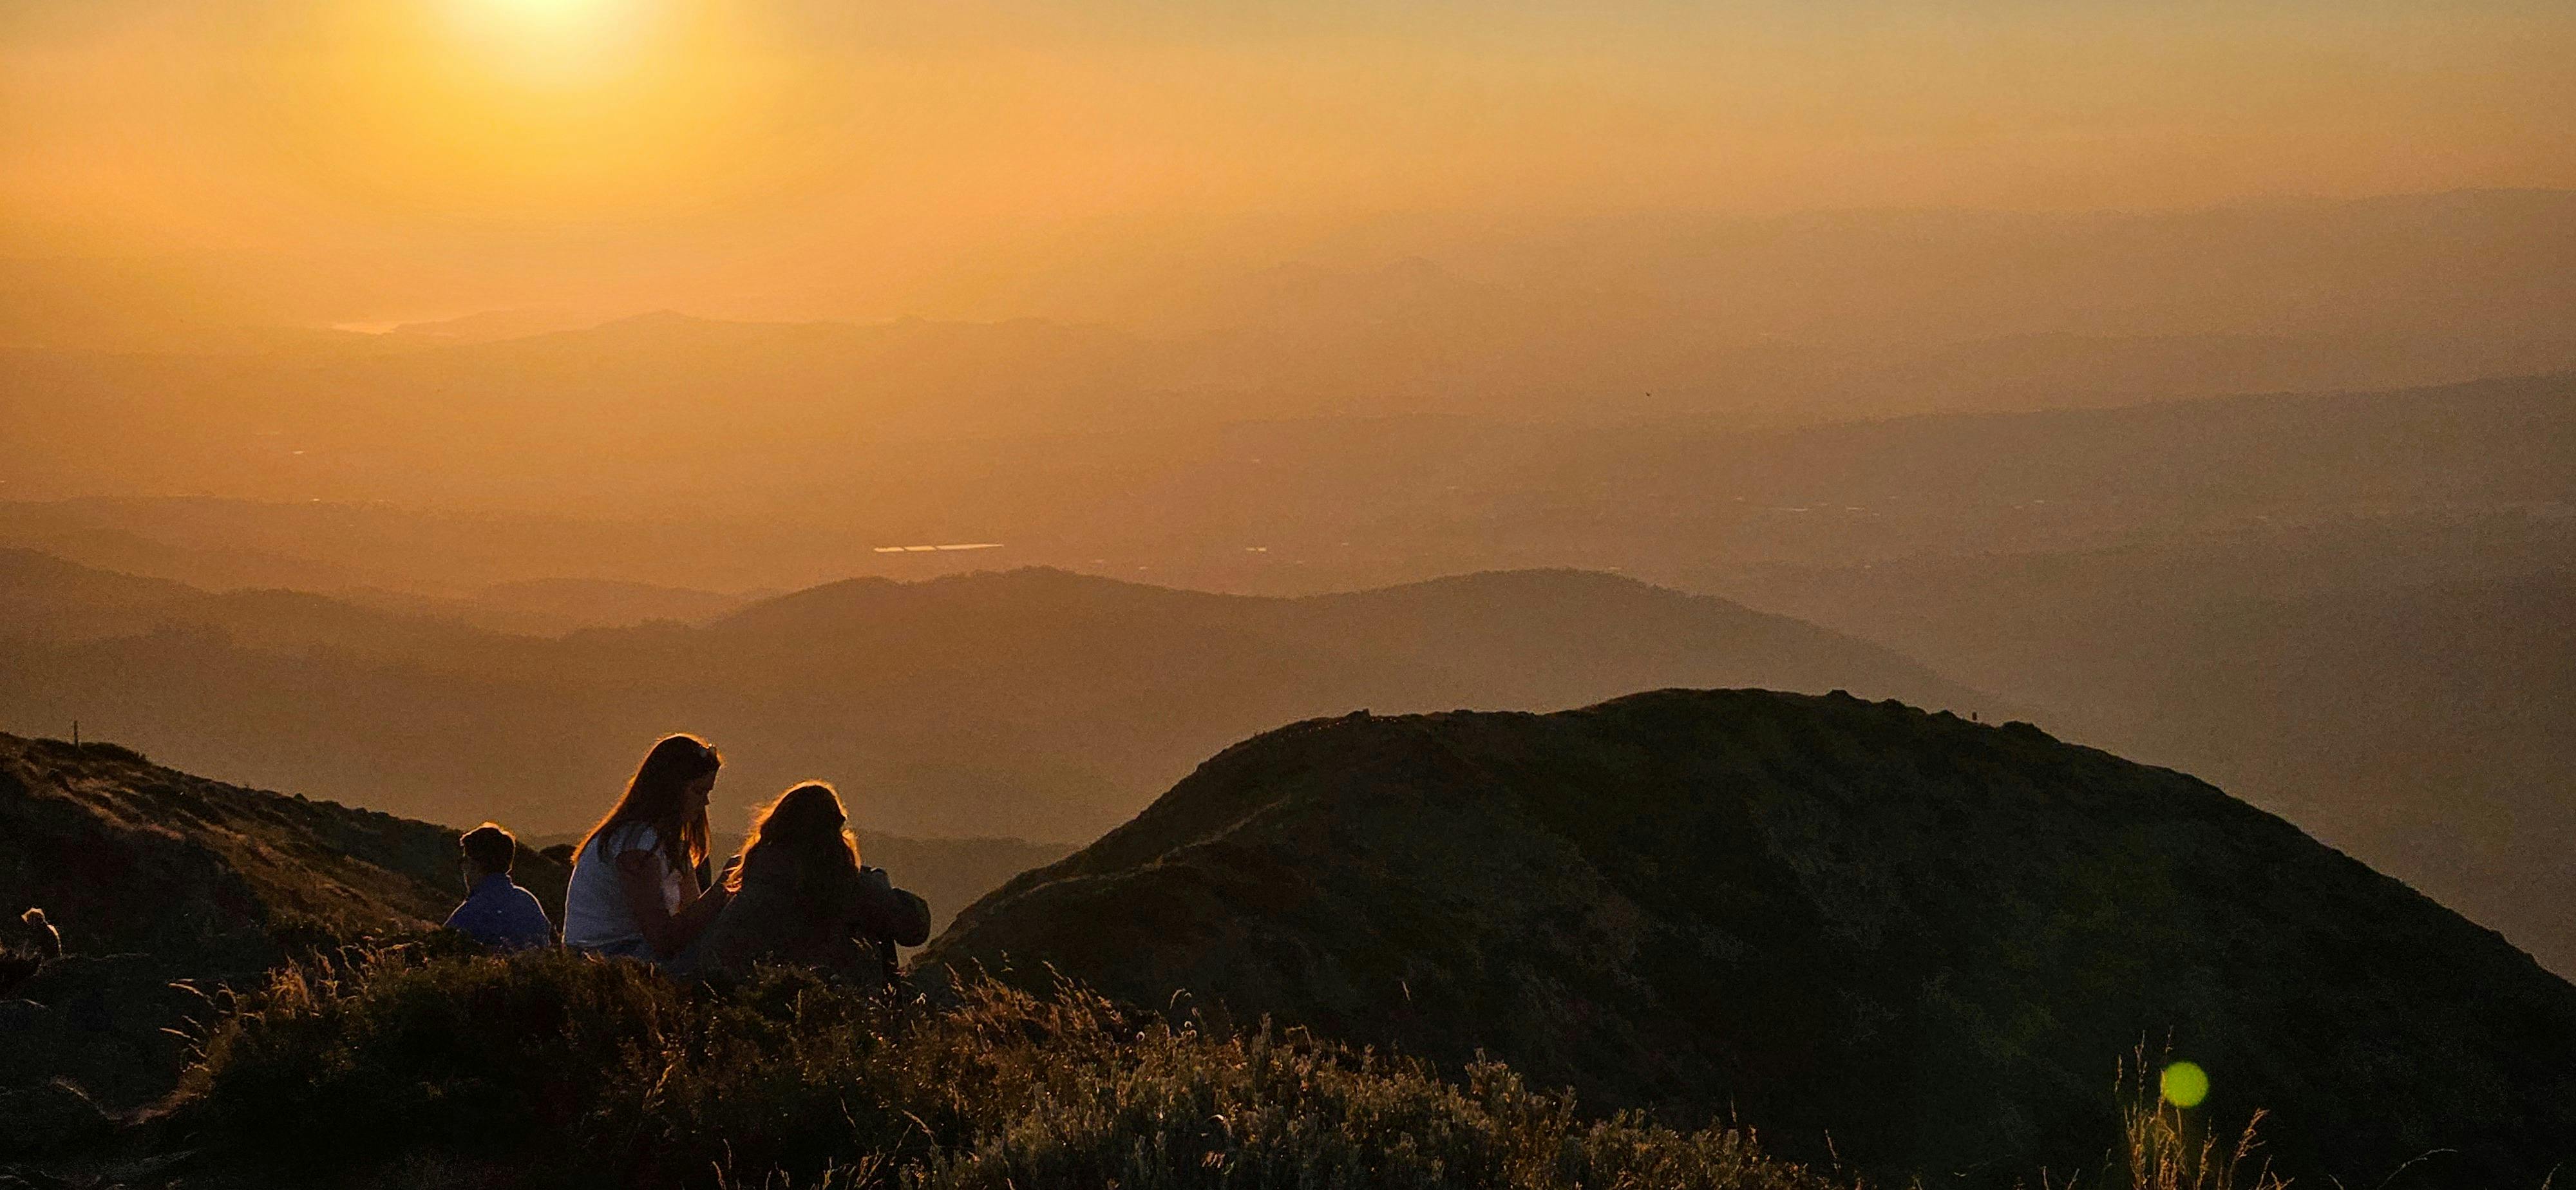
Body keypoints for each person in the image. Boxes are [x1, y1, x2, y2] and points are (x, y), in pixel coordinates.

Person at [689, 781, 930, 985]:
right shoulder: (848, 890)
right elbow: (916, 928)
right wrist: (878, 886)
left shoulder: (752, 882)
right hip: (834, 1012)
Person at [564, 733, 730, 963]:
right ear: (671, 790)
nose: (705, 803)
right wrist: (723, 888)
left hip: (625, 951)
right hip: (604, 955)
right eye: (698, 792)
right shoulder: (635, 844)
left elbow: (692, 915)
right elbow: (662, 939)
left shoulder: (669, 843)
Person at [442, 822, 555, 950]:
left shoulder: (472, 913)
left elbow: (441, 948)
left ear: (474, 866)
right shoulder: (529, 901)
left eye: (465, 862)